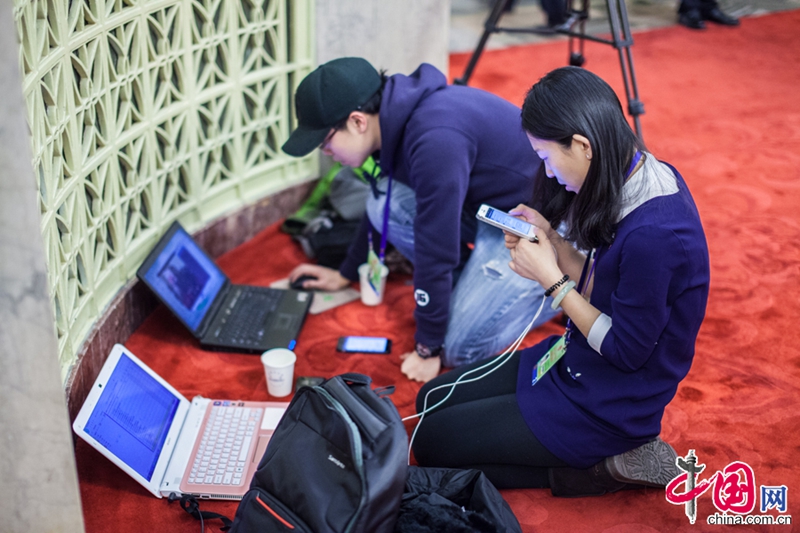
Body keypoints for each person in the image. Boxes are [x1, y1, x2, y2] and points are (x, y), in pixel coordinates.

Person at [411, 66, 710, 495]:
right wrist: (552, 239)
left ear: (583, 146)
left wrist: (550, 279)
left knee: (430, 442)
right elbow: (605, 282)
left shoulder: (655, 236)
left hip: (608, 402)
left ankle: (603, 468)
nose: (548, 173)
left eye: (548, 158)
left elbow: (625, 351)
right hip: (576, 356)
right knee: (430, 400)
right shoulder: (638, 172)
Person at [282, 57, 559, 383]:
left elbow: (434, 247)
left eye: (325, 143)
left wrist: (428, 345)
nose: (326, 153)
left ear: (357, 122)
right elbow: (383, 211)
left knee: (458, 349)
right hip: (491, 209)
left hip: (539, 225)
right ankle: (470, 288)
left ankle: (562, 287)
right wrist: (345, 272)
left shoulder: (434, 139)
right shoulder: (394, 121)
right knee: (385, 196)